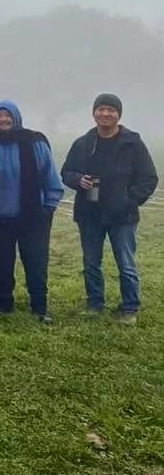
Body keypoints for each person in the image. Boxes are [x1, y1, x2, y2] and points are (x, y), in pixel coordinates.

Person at [61, 94, 159, 323]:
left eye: (111, 110)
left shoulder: (132, 143)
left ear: (118, 114)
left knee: (126, 263)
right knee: (90, 262)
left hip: (122, 216)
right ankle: (95, 303)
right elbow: (66, 172)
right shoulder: (83, 143)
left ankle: (129, 308)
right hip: (89, 214)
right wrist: (77, 180)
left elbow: (149, 178)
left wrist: (129, 200)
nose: (105, 114)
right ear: (94, 113)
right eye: (101, 109)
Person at [0, 100, 64, 321]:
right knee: (1, 262)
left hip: (33, 217)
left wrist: (48, 209)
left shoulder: (35, 144)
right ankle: (4, 303)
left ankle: (39, 306)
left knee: (36, 263)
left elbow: (51, 180)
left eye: (8, 115)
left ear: (16, 118)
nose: (4, 119)